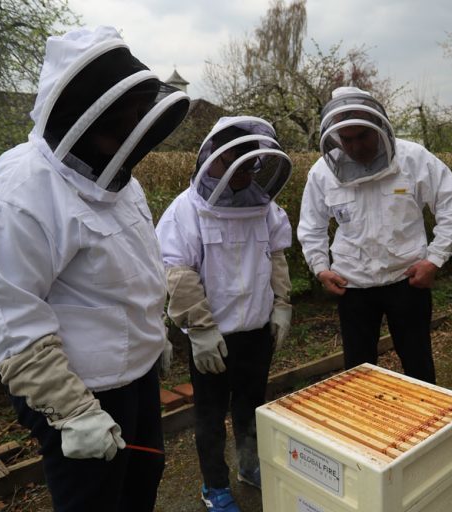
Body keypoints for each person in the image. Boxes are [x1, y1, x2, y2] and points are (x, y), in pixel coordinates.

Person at [0, 26, 189, 512]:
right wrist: (72, 412)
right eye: (114, 122)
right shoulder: (19, 194)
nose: (122, 135)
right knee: (91, 500)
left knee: (141, 481)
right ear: (76, 117)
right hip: (78, 393)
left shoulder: (119, 180)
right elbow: (8, 317)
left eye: (132, 119)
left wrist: (153, 337)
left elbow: (137, 269)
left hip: (136, 377)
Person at [156, 116, 293, 512]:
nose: (241, 171)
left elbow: (277, 257)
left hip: (256, 331)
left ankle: (250, 466)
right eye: (232, 159)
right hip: (212, 336)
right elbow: (178, 274)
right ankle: (214, 486)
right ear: (211, 159)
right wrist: (199, 330)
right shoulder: (185, 211)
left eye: (248, 161)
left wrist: (282, 305)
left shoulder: (264, 206)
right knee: (210, 416)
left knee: (252, 405)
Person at [297, 86, 452, 384]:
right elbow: (312, 225)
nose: (356, 147)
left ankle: (426, 426)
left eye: (363, 136)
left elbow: (451, 204)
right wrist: (320, 268)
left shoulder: (414, 158)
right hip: (354, 286)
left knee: (418, 365)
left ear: (379, 127)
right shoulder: (322, 172)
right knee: (358, 372)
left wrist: (435, 260)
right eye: (346, 140)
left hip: (407, 280)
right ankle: (364, 427)